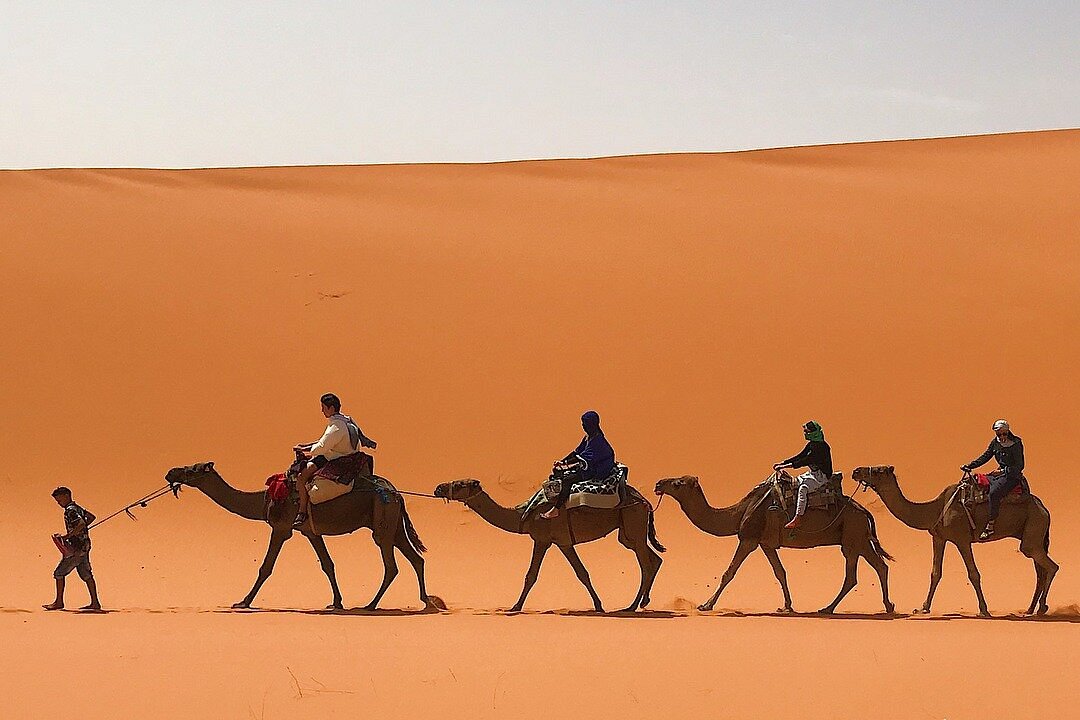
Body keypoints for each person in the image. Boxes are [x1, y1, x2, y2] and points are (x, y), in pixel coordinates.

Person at [293, 393, 377, 528]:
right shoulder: (348, 420)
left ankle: (302, 511)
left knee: (302, 477)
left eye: (323, 407)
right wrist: (306, 446)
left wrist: (305, 450)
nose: (322, 410)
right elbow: (326, 442)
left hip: (336, 458)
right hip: (345, 455)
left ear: (331, 408)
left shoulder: (336, 427)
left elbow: (321, 447)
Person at [541, 410, 616, 520]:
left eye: (585, 424)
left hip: (597, 470)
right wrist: (562, 461)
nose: (583, 426)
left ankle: (556, 509)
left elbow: (581, 457)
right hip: (589, 465)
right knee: (559, 473)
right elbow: (576, 452)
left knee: (567, 480)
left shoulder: (598, 441)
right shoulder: (588, 438)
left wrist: (566, 463)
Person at [961, 419, 1026, 540]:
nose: (1001, 436)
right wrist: (970, 466)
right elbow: (986, 456)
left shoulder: (1016, 443)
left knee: (994, 493)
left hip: (1011, 476)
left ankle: (990, 526)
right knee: (977, 482)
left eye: (1004, 434)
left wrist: (1002, 471)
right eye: (999, 434)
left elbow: (1019, 466)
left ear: (1008, 431)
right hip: (999, 475)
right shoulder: (995, 443)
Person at [44, 487, 101, 611]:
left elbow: (80, 524)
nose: (59, 503)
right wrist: (83, 528)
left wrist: (68, 536)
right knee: (86, 574)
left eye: (59, 500)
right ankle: (95, 602)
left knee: (59, 573)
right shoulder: (77, 508)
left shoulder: (70, 511)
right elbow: (91, 517)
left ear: (66, 496)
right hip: (84, 545)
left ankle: (58, 602)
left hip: (76, 547)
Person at [773, 420, 833, 530]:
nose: (805, 433)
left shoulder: (821, 447)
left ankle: (798, 518)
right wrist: (783, 462)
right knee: (793, 483)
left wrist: (784, 467)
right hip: (813, 473)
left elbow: (804, 461)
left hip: (821, 477)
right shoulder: (812, 444)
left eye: (807, 431)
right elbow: (800, 456)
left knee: (803, 489)